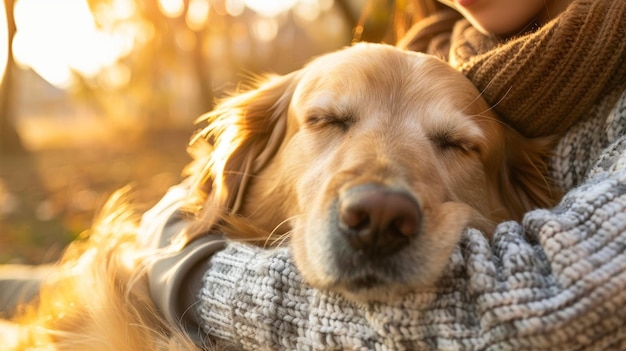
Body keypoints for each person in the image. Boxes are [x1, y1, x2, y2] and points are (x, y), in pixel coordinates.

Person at [2, 0, 626, 349]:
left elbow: (552, 312)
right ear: (245, 162)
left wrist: (184, 267)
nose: (382, 194)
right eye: (328, 120)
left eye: (456, 146)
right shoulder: (450, 48)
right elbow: (207, 212)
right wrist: (173, 233)